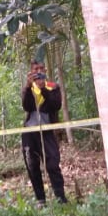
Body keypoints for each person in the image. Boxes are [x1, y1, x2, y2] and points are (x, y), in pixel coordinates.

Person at [21, 60, 67, 204]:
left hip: (48, 131)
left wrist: (44, 90)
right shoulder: (28, 88)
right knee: (32, 165)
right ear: (31, 72)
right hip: (30, 132)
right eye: (36, 69)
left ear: (45, 70)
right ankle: (41, 199)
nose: (39, 71)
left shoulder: (53, 86)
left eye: (41, 68)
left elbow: (56, 105)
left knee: (52, 164)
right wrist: (29, 87)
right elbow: (27, 106)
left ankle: (60, 198)